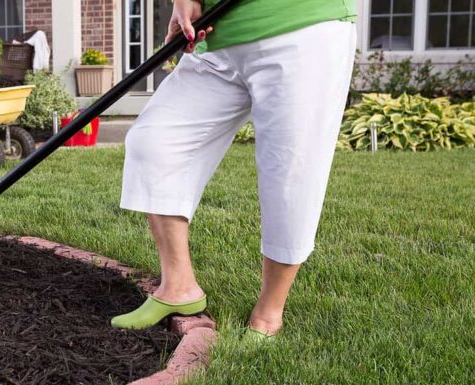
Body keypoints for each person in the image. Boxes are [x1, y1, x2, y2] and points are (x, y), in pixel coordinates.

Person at [110, 0, 357, 338]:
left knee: (289, 173)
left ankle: (269, 314)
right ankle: (179, 287)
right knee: (154, 143)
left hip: (302, 28)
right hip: (218, 38)